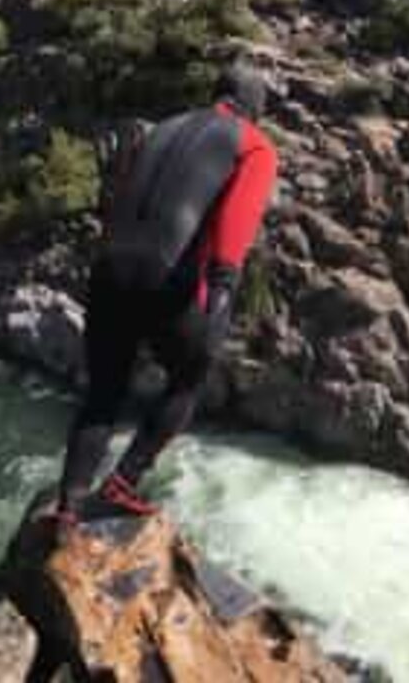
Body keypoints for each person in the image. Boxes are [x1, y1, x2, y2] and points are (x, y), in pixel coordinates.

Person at [54, 64, 279, 523]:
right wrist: (222, 290)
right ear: (253, 105)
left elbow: (121, 196)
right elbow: (236, 224)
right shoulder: (254, 144)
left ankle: (67, 507)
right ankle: (123, 483)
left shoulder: (164, 127)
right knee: (189, 375)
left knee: (103, 391)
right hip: (164, 273)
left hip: (109, 267)